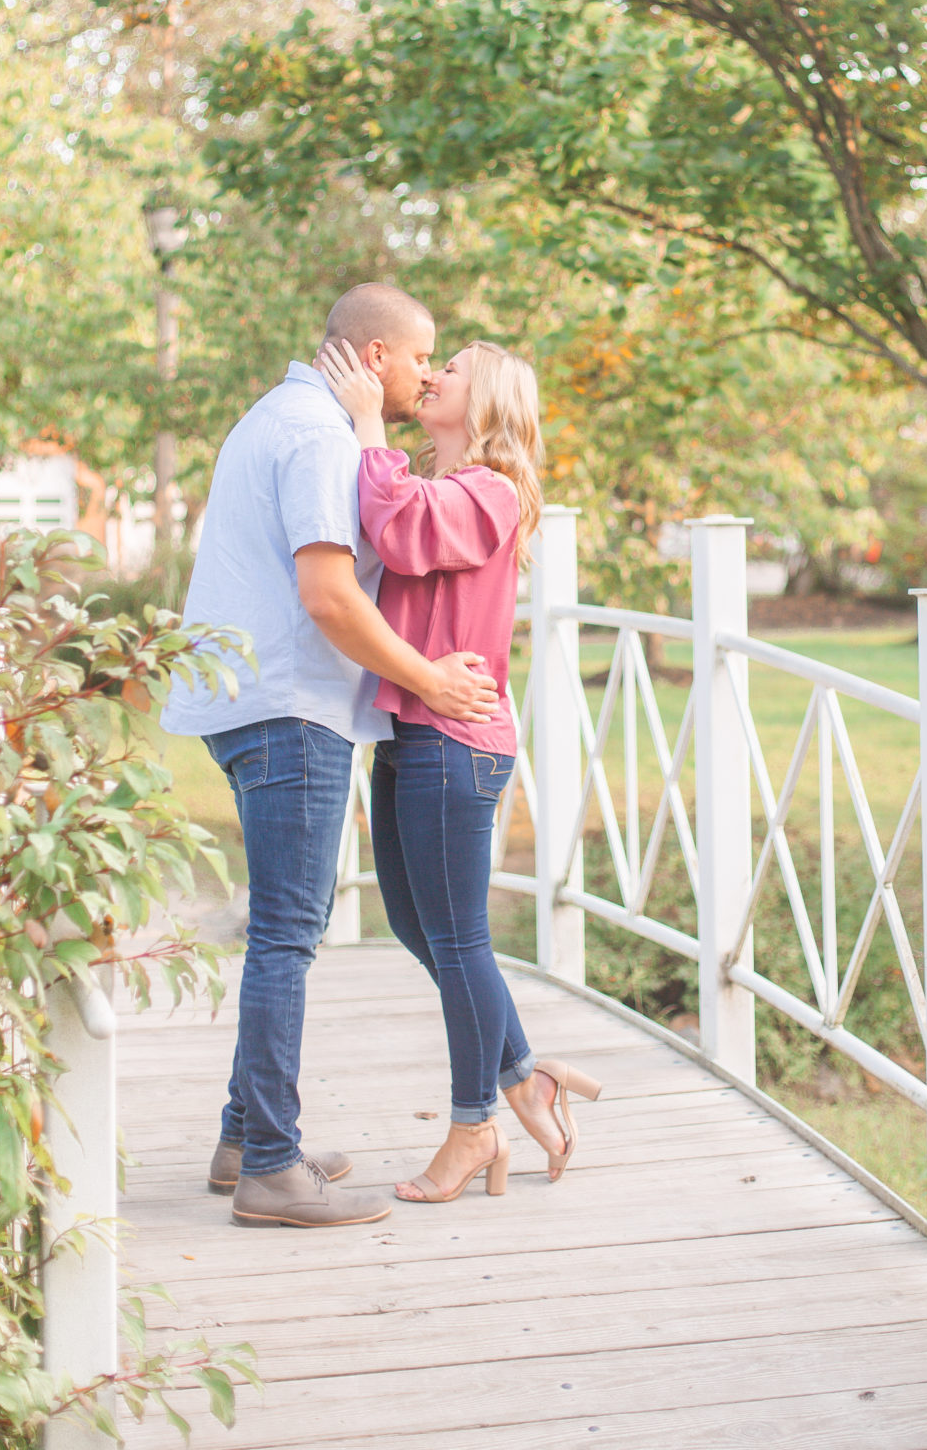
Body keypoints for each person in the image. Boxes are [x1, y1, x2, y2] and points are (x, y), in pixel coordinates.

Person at [163, 282, 500, 1229]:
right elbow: (330, 595)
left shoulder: (285, 415)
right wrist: (430, 682)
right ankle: (271, 1166)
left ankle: (244, 1138)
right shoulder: (315, 435)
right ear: (377, 356)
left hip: (258, 702)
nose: (430, 372)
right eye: (422, 354)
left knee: (283, 927)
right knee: (287, 934)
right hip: (288, 705)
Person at [315, 333, 601, 1204]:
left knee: (459, 938)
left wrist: (369, 429)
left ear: (485, 407)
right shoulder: (446, 485)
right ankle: (526, 1075)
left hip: (457, 744)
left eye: (453, 371)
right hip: (413, 731)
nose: (432, 375)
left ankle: (476, 1125)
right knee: (416, 925)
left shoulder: (492, 492)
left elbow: (398, 536)